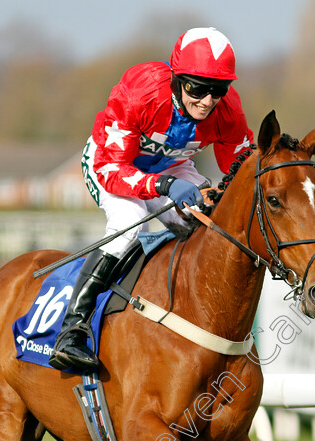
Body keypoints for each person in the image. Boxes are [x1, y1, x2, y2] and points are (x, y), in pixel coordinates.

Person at [49, 27, 254, 371]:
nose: (207, 101)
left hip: (171, 167)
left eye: (218, 90)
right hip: (112, 162)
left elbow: (243, 167)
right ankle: (71, 329)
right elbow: (112, 168)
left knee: (209, 223)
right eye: (197, 88)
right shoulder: (140, 92)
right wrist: (163, 186)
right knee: (129, 222)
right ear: (176, 78)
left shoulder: (227, 110)